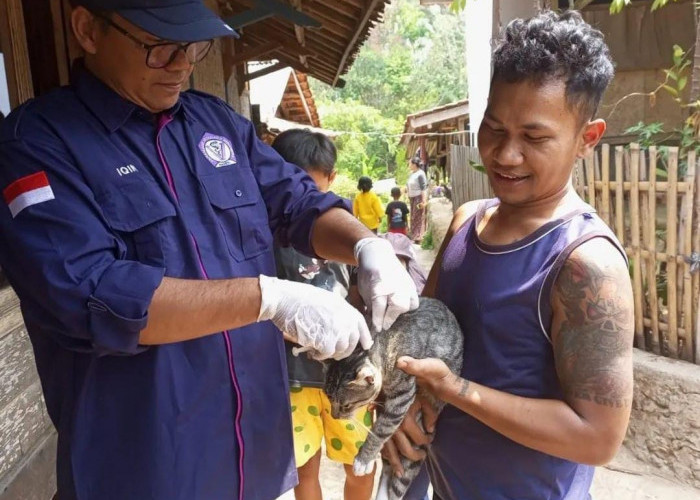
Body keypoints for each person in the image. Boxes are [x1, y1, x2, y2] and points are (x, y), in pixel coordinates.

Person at [0, 2, 419, 499]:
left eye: (194, 46)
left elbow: (297, 202)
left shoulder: (214, 123)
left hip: (253, 461)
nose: (182, 63)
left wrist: (365, 244)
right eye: (160, 47)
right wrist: (269, 299)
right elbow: (89, 293)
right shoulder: (38, 144)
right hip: (144, 470)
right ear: (88, 29)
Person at [384, 10, 634, 500]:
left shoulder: (584, 263)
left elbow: (597, 437)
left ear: (588, 138)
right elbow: (422, 338)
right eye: (494, 129)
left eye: (534, 138)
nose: (504, 155)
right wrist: (401, 407)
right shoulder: (465, 221)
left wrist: (455, 390)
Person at [270, 129, 375, 500]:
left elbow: (362, 295)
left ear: (331, 178)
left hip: (347, 372)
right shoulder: (265, 232)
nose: (302, 201)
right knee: (304, 469)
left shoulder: (346, 231)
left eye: (312, 189)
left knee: (362, 463)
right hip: (295, 378)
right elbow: (258, 302)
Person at [406, 158, 428, 243]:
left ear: (415, 164)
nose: (409, 165)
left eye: (410, 164)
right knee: (413, 217)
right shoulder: (412, 174)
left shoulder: (420, 174)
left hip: (418, 197)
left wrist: (424, 200)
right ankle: (414, 235)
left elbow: (424, 188)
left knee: (418, 216)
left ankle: (418, 236)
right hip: (412, 198)